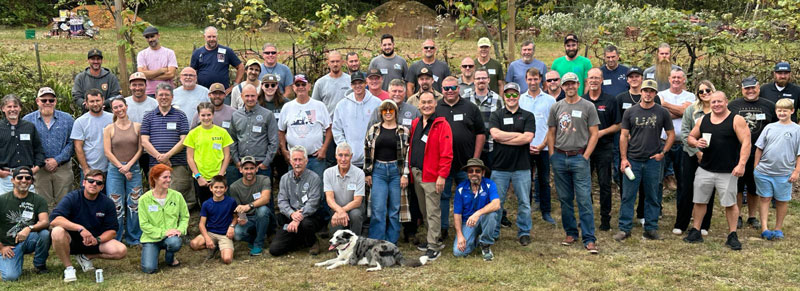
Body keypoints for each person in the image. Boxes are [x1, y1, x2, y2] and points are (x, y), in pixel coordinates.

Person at [685, 91, 750, 250]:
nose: (716, 105)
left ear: (726, 101)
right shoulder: (703, 120)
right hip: (705, 168)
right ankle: (696, 231)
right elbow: (690, 137)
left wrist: (741, 164)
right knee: (699, 201)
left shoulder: (736, 119)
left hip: (728, 171)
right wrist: (696, 142)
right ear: (710, 104)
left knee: (730, 203)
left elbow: (746, 142)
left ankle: (732, 235)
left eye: (719, 101)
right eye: (713, 102)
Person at [546, 72, 600, 254]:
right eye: (566, 84)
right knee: (565, 199)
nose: (569, 87)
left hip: (579, 158)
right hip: (560, 157)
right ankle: (570, 233)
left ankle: (589, 238)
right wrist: (552, 154)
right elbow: (551, 132)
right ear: (562, 87)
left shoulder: (588, 106)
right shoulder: (556, 107)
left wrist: (586, 156)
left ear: (578, 85)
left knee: (584, 199)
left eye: (572, 84)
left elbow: (594, 134)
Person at [616, 79, 675, 241]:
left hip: (653, 161)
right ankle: (624, 228)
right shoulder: (630, 112)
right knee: (628, 196)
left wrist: (663, 152)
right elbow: (623, 135)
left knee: (653, 196)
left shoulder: (662, 112)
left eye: (651, 91)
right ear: (640, 92)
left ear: (655, 94)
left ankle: (651, 228)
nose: (648, 94)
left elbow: (671, 134)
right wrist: (623, 158)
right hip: (633, 161)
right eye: (645, 91)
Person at [50, 169, 127, 282]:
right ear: (84, 183)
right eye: (91, 181)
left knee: (121, 250)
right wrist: (80, 228)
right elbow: (54, 219)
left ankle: (86, 256)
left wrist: (97, 240)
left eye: (99, 183)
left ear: (102, 187)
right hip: (70, 241)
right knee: (57, 231)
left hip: (92, 241)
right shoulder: (72, 197)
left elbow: (112, 231)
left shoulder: (107, 203)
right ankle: (69, 268)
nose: (94, 184)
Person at [436, 76, 486, 243]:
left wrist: (475, 159)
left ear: (459, 88)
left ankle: (471, 227)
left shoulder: (470, 107)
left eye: (453, 87)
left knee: (471, 195)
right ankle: (443, 228)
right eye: (446, 88)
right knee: (442, 196)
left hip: (466, 164)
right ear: (441, 89)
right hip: (443, 164)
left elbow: (480, 133)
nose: (450, 91)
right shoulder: (436, 108)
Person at [488, 82, 535, 245]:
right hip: (500, 167)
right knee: (496, 202)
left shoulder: (528, 116)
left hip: (522, 167)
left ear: (519, 95)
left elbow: (528, 138)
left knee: (524, 202)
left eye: (514, 94)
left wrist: (505, 136)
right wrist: (517, 136)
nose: (511, 97)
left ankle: (524, 232)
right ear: (504, 96)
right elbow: (495, 135)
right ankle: (493, 232)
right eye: (508, 94)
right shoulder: (497, 115)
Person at [408, 91, 453, 261]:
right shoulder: (416, 123)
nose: (426, 105)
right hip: (417, 173)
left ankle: (433, 246)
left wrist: (442, 176)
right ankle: (432, 239)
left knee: (433, 211)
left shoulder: (442, 125)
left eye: (430, 102)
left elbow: (447, 153)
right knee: (424, 210)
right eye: (423, 102)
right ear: (418, 105)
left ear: (435, 104)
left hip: (432, 175)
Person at [728, 76, 777, 229]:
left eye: (753, 88)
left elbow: (776, 128)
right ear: (742, 89)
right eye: (746, 88)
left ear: (758, 88)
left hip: (760, 154)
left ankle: (752, 216)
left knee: (753, 187)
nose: (750, 91)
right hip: (738, 152)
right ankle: (738, 215)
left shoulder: (769, 106)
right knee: (737, 186)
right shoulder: (733, 105)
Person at [141, 83, 195, 209]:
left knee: (180, 199)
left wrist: (168, 155)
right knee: (158, 199)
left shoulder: (180, 115)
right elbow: (144, 141)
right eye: (161, 95)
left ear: (172, 97)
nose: (164, 97)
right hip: (156, 165)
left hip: (177, 164)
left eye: (167, 95)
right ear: (156, 96)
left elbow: (184, 139)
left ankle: (181, 228)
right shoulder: (148, 116)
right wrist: (160, 157)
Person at [673, 80, 717, 236]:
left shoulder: (719, 110)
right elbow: (685, 133)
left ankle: (704, 225)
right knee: (687, 189)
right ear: (697, 94)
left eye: (708, 90)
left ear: (713, 91)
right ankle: (681, 223)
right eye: (701, 91)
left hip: (712, 156)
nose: (705, 93)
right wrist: (698, 152)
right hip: (691, 154)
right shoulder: (691, 110)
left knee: (708, 189)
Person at [364, 99, 411, 244]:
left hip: (396, 171)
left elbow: (407, 153)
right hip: (378, 171)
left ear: (396, 112)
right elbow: (367, 150)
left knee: (395, 209)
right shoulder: (374, 129)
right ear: (381, 113)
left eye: (391, 110)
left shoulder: (403, 130)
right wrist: (368, 173)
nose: (388, 113)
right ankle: (376, 242)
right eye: (385, 110)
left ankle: (391, 242)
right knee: (378, 209)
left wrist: (405, 174)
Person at [753, 98, 800, 240]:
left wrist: (796, 171)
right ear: (776, 111)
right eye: (779, 110)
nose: (782, 113)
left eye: (785, 110)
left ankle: (778, 228)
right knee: (765, 198)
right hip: (764, 172)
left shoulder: (797, 130)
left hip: (784, 173)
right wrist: (756, 166)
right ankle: (765, 228)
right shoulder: (769, 127)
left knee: (781, 201)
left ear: (792, 111)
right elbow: (759, 148)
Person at [582, 68, 621, 231]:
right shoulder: (581, 100)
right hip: (584, 149)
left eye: (597, 78)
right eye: (591, 78)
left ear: (602, 80)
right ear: (587, 80)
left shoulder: (611, 100)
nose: (593, 81)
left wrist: (601, 133)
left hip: (604, 147)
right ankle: (586, 217)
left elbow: (618, 124)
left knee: (605, 184)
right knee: (584, 185)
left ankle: (605, 219)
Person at [269, 146, 325, 257]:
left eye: (300, 160)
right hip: (290, 216)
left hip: (309, 216)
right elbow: (282, 201)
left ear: (306, 161)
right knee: (275, 250)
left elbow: (313, 202)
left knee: (306, 224)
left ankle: (312, 241)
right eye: (295, 160)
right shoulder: (285, 178)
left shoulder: (314, 178)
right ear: (290, 161)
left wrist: (299, 216)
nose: (297, 163)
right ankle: (300, 240)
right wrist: (291, 214)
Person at [23, 87, 74, 208]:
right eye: (44, 100)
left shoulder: (67, 119)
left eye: (51, 100)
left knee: (65, 203)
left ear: (55, 101)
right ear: (37, 101)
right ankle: (46, 227)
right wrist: (42, 161)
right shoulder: (27, 120)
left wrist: (57, 160)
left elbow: (72, 142)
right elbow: (26, 145)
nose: (47, 103)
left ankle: (63, 227)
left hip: (63, 168)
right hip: (40, 170)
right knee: (43, 204)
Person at [102, 97, 143, 245]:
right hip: (115, 169)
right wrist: (121, 167)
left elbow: (140, 149)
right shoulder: (109, 128)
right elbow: (107, 152)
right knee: (115, 204)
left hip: (134, 168)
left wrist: (129, 166)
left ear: (126, 106)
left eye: (121, 106)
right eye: (115, 108)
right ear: (112, 110)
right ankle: (116, 237)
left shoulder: (137, 127)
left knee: (134, 202)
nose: (119, 110)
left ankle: (134, 237)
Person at [519, 68, 557, 225]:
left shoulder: (550, 100)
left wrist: (542, 145)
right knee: (525, 180)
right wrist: (525, 143)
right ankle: (525, 208)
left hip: (544, 147)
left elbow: (552, 127)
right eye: (529, 79)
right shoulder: (521, 99)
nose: (532, 82)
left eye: (535, 79)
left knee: (543, 179)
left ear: (540, 79)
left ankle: (546, 210)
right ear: (526, 80)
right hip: (524, 148)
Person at [0, 167, 50, 281]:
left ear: (31, 181)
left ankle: (39, 264)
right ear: (12, 180)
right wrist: (2, 247)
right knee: (10, 277)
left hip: (28, 240)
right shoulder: (2, 200)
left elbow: (45, 221)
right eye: (20, 177)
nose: (24, 180)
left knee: (45, 234)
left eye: (28, 178)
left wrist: (29, 228)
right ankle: (12, 259)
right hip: (8, 245)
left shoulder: (38, 200)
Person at [138, 164, 190, 273]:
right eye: (165, 177)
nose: (168, 180)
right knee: (149, 269)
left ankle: (170, 258)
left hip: (171, 237)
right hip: (151, 238)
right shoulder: (144, 199)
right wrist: (164, 232)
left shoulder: (177, 196)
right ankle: (152, 253)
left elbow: (185, 216)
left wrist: (180, 230)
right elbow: (144, 224)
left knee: (175, 243)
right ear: (155, 178)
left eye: (169, 177)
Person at [278, 75, 332, 179]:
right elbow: (280, 131)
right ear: (293, 87)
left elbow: (329, 129)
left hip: (315, 159)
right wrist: (284, 150)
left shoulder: (319, 106)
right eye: (297, 85)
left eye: (303, 84)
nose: (300, 87)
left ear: (309, 86)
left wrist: (324, 149)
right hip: (295, 160)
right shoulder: (287, 107)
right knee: (295, 190)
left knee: (317, 190)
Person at [185, 102, 234, 204]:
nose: (206, 118)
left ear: (213, 115)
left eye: (209, 115)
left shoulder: (222, 132)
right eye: (203, 115)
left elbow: (227, 156)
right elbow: (190, 158)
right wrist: (198, 176)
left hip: (218, 175)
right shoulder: (193, 134)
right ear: (199, 116)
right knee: (205, 205)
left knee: (220, 204)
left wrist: (220, 176)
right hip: (201, 178)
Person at [452, 159, 500, 261]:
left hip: (483, 219)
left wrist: (477, 213)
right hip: (468, 222)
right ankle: (475, 240)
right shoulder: (461, 188)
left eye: (477, 171)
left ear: (483, 173)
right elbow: (457, 214)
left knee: (491, 215)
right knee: (458, 252)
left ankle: (486, 245)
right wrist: (460, 235)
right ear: (467, 174)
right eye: (471, 171)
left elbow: (496, 204)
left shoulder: (489, 184)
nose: (474, 174)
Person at [332, 71, 381, 168]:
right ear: (351, 85)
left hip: (372, 159)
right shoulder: (342, 105)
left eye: (360, 83)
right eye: (355, 83)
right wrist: (345, 149)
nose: (357, 86)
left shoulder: (377, 103)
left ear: (365, 83)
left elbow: (382, 127)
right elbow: (337, 129)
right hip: (349, 160)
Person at [658, 69, 695, 200]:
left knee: (684, 180)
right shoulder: (660, 94)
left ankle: (683, 211)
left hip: (683, 144)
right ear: (669, 79)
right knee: (658, 179)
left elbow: (688, 113)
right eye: (673, 77)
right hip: (663, 143)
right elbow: (660, 116)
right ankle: (657, 210)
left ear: (684, 80)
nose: (676, 80)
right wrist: (681, 111)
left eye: (679, 77)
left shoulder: (690, 96)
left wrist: (665, 105)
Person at [229, 156, 273, 256]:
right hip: (248, 218)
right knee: (237, 234)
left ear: (256, 169)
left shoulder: (264, 180)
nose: (249, 171)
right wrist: (242, 218)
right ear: (241, 170)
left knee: (262, 210)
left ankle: (258, 244)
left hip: (263, 215)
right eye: (246, 168)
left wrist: (249, 206)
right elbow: (239, 207)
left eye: (252, 168)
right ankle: (253, 238)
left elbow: (266, 198)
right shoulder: (234, 187)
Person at [0, 94, 44, 194]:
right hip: (5, 179)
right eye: (9, 106)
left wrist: (35, 169)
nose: (12, 109)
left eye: (15, 106)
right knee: (4, 208)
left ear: (20, 108)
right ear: (3, 109)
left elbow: (39, 150)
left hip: (27, 178)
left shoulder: (29, 127)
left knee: (27, 208)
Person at [189, 176, 237, 264]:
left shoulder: (231, 201)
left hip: (224, 234)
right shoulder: (206, 204)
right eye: (216, 187)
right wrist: (207, 238)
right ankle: (214, 246)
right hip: (210, 233)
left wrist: (232, 226)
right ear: (211, 188)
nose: (218, 190)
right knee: (194, 244)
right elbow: (201, 224)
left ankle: (222, 247)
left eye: (221, 187)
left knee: (227, 260)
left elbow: (235, 217)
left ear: (226, 189)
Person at [190, 26, 244, 100]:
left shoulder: (226, 51)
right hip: (203, 94)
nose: (212, 39)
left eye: (214, 36)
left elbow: (241, 67)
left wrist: (234, 86)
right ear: (204, 37)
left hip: (222, 93)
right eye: (209, 37)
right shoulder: (197, 53)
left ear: (217, 37)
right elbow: (191, 72)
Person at [323, 143, 365, 235]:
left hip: (354, 208)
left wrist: (342, 211)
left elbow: (358, 201)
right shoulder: (328, 173)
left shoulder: (359, 173)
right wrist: (339, 211)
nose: (343, 159)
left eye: (346, 155)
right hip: (336, 208)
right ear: (335, 156)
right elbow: (329, 199)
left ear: (351, 156)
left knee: (356, 215)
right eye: (340, 155)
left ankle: (355, 243)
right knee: (335, 239)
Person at [71, 89, 113, 177]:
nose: (95, 104)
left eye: (98, 100)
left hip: (111, 168)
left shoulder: (113, 118)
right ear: (86, 103)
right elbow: (78, 147)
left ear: (103, 100)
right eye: (91, 101)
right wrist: (85, 168)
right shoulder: (80, 122)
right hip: (90, 170)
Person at [257, 74, 291, 182]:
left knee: (284, 176)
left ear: (277, 86)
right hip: (264, 146)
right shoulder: (257, 103)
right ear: (262, 86)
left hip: (282, 145)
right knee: (266, 179)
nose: (270, 88)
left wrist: (281, 145)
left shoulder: (286, 103)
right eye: (267, 85)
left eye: (273, 85)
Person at [137, 26, 178, 97]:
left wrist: (149, 75)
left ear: (158, 36)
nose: (150, 39)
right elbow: (142, 74)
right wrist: (161, 70)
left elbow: (171, 74)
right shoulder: (142, 54)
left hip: (167, 91)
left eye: (152, 36)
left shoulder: (169, 53)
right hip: (149, 92)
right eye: (147, 37)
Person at [312, 51, 351, 116]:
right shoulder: (320, 83)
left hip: (347, 123)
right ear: (328, 63)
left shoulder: (350, 81)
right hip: (328, 124)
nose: (335, 64)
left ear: (342, 62)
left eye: (337, 61)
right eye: (332, 61)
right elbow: (314, 107)